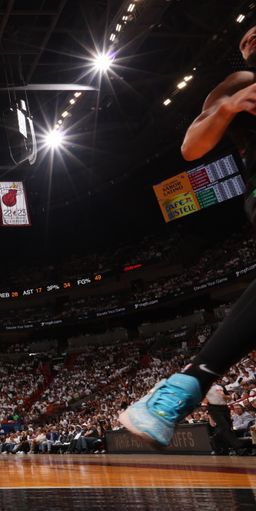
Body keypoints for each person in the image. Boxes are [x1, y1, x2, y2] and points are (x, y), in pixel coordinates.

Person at [120, 23, 256, 446]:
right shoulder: (241, 82)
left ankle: (184, 385)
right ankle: (186, 384)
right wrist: (227, 107)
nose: (251, 37)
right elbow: (192, 148)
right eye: (246, 36)